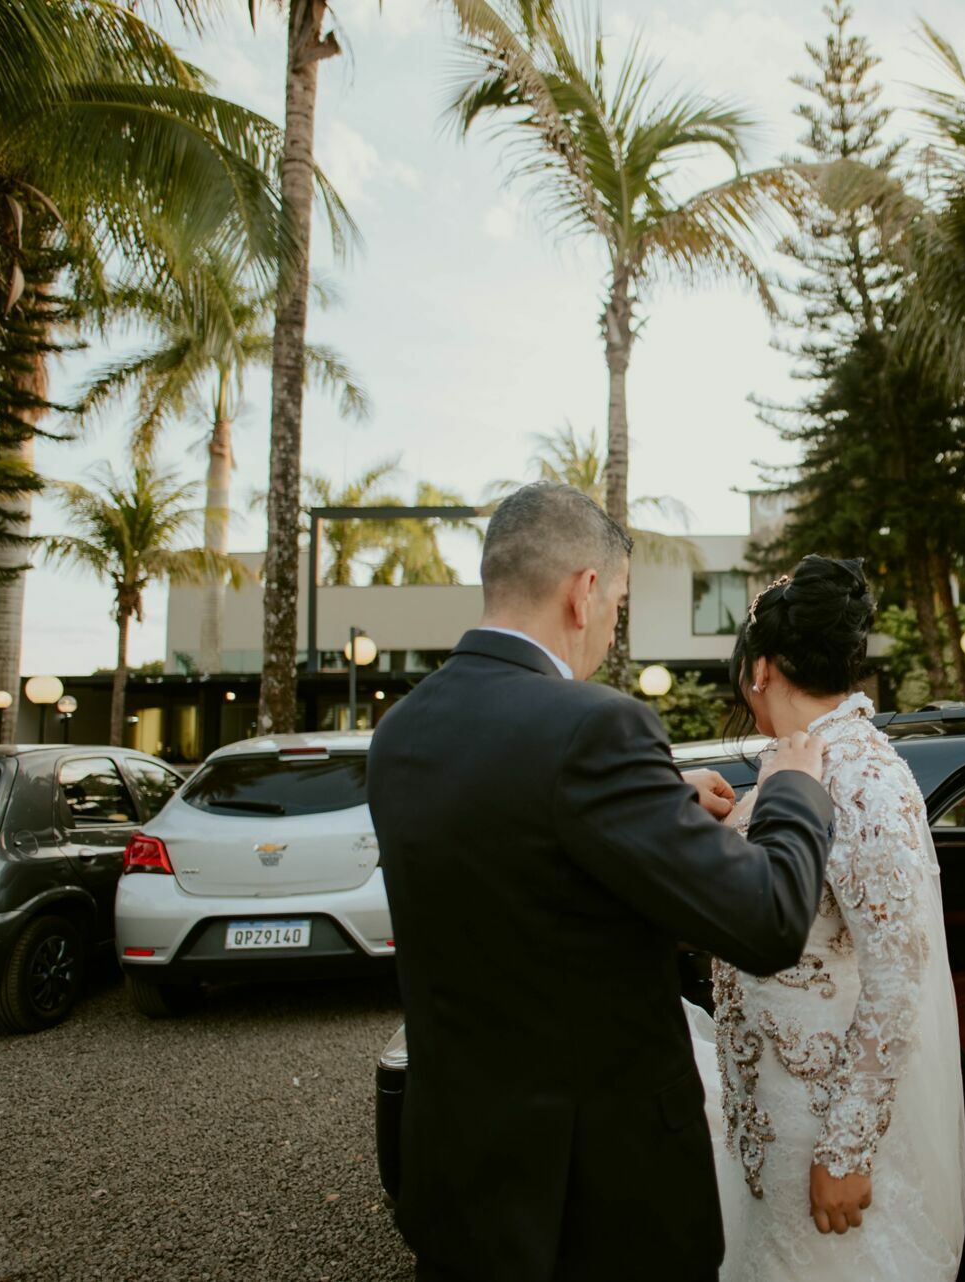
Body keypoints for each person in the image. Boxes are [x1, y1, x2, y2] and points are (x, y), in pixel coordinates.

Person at [367, 483, 837, 1282]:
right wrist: (796, 788)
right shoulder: (592, 725)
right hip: (593, 1204)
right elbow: (766, 920)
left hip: (458, 1178)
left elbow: (514, 857)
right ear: (585, 593)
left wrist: (657, 809)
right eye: (618, 602)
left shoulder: (401, 730)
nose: (610, 623)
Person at [699, 555, 965, 1281]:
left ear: (759, 668)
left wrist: (845, 1148)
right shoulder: (796, 762)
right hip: (764, 1111)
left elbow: (898, 975)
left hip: (820, 1123)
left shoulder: (866, 775)